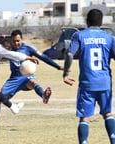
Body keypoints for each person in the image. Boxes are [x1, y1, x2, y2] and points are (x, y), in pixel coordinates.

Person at [0, 29, 63, 129]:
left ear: (21, 39)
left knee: (32, 81)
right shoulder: (8, 49)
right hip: (14, 79)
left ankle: (43, 95)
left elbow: (43, 57)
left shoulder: (28, 48)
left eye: (18, 41)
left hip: (26, 77)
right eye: (14, 41)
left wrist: (58, 67)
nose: (16, 43)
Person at [63, 9, 115, 144]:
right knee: (107, 113)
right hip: (105, 83)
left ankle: (84, 142)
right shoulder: (109, 38)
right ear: (101, 22)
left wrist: (66, 73)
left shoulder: (79, 35)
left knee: (85, 117)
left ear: (87, 21)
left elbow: (69, 54)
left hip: (87, 83)